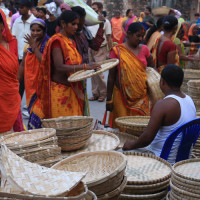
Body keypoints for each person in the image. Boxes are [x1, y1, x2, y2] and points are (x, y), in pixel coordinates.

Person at [123, 65, 196, 165]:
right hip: (183, 158)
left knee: (120, 154)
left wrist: (131, 145)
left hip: (162, 158)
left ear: (162, 82)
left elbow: (147, 138)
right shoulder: (189, 100)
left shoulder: (163, 104)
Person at [36, 10, 101, 120]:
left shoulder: (70, 41)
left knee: (74, 129)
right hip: (60, 93)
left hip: (72, 90)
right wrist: (86, 67)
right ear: (63, 23)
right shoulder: (57, 41)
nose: (76, 27)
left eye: (77, 23)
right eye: (73, 24)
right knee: (63, 130)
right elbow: (59, 67)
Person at [106, 23, 154, 128]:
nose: (141, 38)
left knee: (140, 126)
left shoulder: (145, 50)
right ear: (128, 34)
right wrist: (109, 99)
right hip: (121, 96)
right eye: (138, 36)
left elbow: (152, 69)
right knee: (124, 127)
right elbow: (111, 77)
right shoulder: (117, 51)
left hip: (141, 96)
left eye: (143, 36)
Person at [18, 19, 49, 129]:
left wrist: (34, 46)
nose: (35, 33)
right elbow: (23, 64)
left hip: (42, 85)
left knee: (39, 112)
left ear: (44, 31)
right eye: (33, 30)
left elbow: (44, 62)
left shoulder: (47, 44)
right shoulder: (28, 45)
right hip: (30, 84)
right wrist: (16, 81)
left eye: (38, 30)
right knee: (33, 110)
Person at [0, 9, 24, 133]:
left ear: (2, 24)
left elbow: (15, 71)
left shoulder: (12, 42)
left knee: (15, 141)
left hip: (12, 96)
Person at [88, 2, 112, 102]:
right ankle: (95, 93)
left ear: (100, 9)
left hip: (101, 48)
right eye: (92, 9)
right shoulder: (90, 21)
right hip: (90, 48)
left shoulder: (106, 22)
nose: (93, 11)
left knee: (99, 72)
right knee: (92, 72)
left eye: (95, 9)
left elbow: (109, 37)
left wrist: (111, 51)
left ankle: (103, 93)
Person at [12, 0, 36, 99]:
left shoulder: (35, 21)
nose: (20, 9)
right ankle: (18, 108)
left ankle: (29, 107)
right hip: (19, 57)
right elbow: (14, 38)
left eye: (23, 7)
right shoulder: (17, 21)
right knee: (19, 84)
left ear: (28, 8)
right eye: (20, 7)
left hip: (31, 56)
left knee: (30, 83)